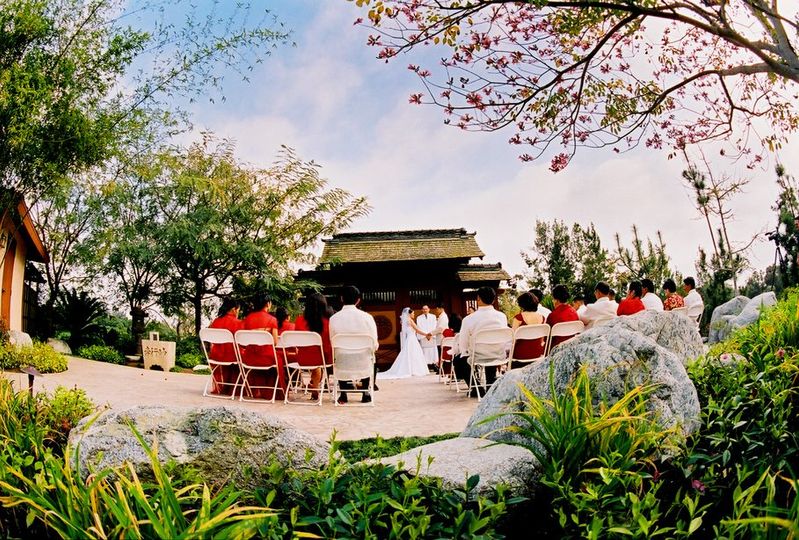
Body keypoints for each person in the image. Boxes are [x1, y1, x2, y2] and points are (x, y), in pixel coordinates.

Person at [453, 286, 509, 396]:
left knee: (459, 361)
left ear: (478, 298)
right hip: (498, 354)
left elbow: (463, 343)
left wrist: (464, 352)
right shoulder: (502, 316)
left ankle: (476, 388)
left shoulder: (468, 319)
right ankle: (490, 384)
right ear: (493, 299)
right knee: (491, 351)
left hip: (478, 355)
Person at [329, 285, 379, 404]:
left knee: (340, 354)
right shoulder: (367, 317)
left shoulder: (334, 318)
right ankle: (365, 392)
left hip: (342, 360)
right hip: (363, 360)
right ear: (358, 300)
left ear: (341, 299)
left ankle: (343, 394)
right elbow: (374, 343)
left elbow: (332, 342)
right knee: (371, 355)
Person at [241, 293, 284, 400]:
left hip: (249, 357)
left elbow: (244, 340)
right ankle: (274, 391)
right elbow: (274, 342)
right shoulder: (272, 319)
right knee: (279, 358)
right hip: (266, 358)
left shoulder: (248, 319)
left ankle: (256, 390)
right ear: (268, 304)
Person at [294, 293, 334, 401]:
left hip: (302, 358)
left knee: (315, 362)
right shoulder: (327, 322)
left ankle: (314, 387)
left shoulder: (299, 321)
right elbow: (327, 344)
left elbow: (297, 342)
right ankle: (315, 387)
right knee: (318, 363)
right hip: (322, 358)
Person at [379, 307, 430, 379]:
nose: (414, 314)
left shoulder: (404, 321)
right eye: (413, 313)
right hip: (412, 339)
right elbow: (417, 330)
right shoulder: (410, 321)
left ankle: (411, 369)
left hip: (409, 339)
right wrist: (426, 334)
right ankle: (415, 370)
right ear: (409, 314)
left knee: (409, 354)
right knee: (414, 353)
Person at [207, 297, 242, 395]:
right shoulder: (238, 323)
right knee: (244, 354)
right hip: (231, 355)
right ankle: (237, 388)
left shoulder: (215, 322)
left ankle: (223, 386)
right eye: (238, 310)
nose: (238, 312)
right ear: (234, 309)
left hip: (216, 355)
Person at [510, 291, 546, 365]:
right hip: (537, 354)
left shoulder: (518, 318)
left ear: (522, 305)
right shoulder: (542, 318)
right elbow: (542, 339)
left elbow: (513, 340)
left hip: (520, 356)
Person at [546, 284, 580, 349]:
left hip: (555, 350)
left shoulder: (552, 315)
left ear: (556, 300)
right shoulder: (574, 312)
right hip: (571, 348)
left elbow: (546, 337)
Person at [415, 304, 439, 370]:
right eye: (424, 309)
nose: (425, 310)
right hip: (423, 336)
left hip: (432, 336)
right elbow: (419, 327)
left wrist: (430, 334)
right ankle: (425, 366)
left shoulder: (433, 316)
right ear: (422, 310)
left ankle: (434, 364)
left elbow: (434, 326)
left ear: (429, 309)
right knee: (424, 351)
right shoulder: (419, 318)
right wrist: (426, 335)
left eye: (426, 309)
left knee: (433, 350)